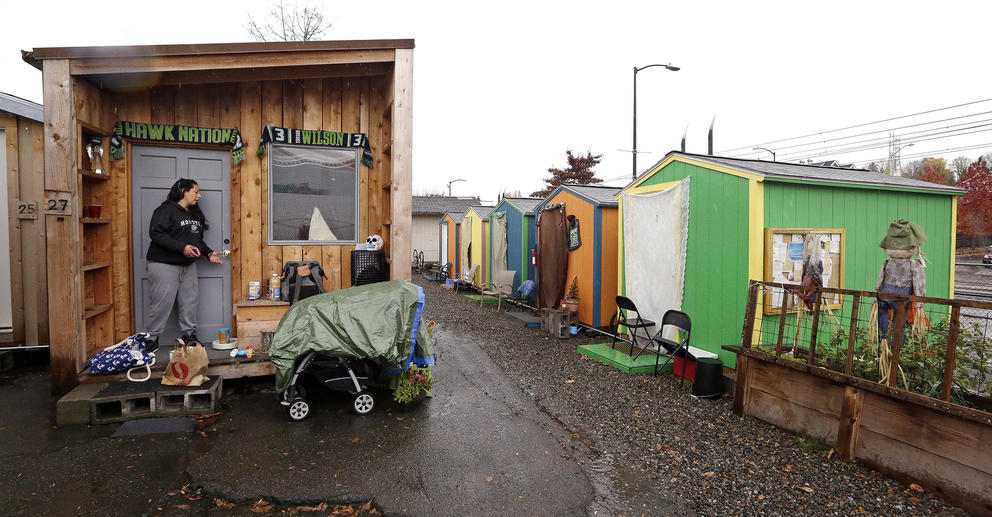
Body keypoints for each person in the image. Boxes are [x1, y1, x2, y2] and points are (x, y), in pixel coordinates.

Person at [144, 178, 223, 352]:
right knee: (161, 302)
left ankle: (189, 335)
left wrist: (208, 253)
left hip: (188, 265)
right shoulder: (166, 209)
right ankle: (152, 338)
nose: (199, 196)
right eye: (196, 191)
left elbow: (196, 241)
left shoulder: (193, 215)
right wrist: (182, 248)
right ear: (183, 191)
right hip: (164, 263)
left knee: (189, 301)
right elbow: (156, 234)